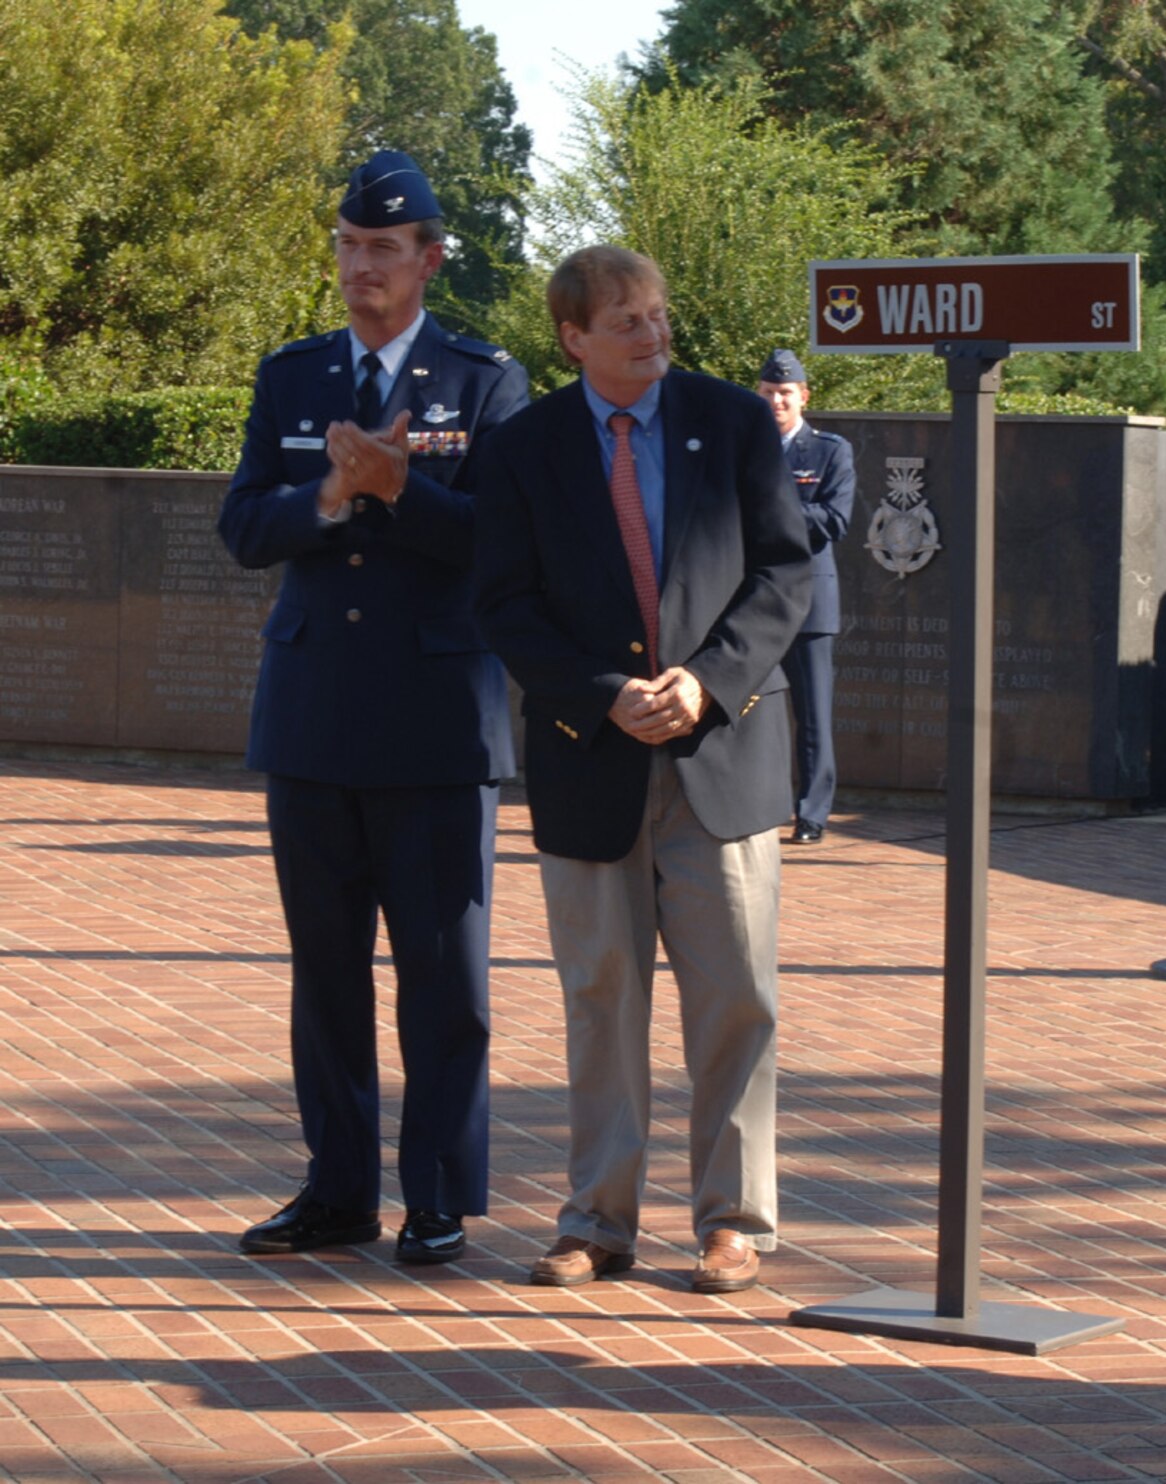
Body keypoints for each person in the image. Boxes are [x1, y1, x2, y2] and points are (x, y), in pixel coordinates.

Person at [472, 246, 811, 1294]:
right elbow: (502, 602)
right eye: (627, 322)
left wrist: (706, 681)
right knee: (601, 996)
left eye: (658, 316)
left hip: (723, 753)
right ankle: (596, 1221)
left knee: (736, 996)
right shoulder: (522, 449)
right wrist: (594, 691)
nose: (653, 335)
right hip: (590, 760)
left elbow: (785, 570)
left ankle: (731, 1221)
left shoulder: (735, 421)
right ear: (572, 337)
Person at [218, 150, 529, 1264]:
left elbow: (504, 539)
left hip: (436, 722)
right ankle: (336, 1187)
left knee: (442, 977)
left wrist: (400, 492)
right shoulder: (294, 374)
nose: (362, 267)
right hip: (312, 715)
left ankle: (437, 1194)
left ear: (429, 258)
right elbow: (247, 525)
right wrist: (328, 494)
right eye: (348, 246)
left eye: (384, 249)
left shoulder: (485, 379)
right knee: (326, 973)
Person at [754, 348, 856, 844]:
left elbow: (833, 522)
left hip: (811, 603)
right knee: (749, 708)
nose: (776, 402)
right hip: (753, 600)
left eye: (785, 394)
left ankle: (812, 815)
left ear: (804, 397)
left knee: (813, 716)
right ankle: (754, 804)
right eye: (769, 393)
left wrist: (771, 512)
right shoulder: (744, 447)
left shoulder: (830, 451)